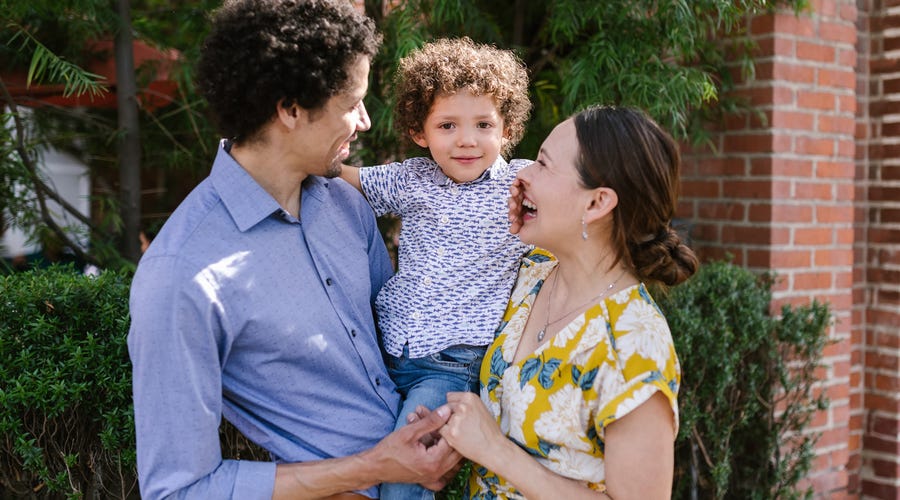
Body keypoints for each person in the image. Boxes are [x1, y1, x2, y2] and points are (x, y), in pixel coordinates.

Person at [126, 1, 460, 499]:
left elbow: (399, 344)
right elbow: (178, 490)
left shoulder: (347, 206)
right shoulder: (183, 276)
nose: (365, 121)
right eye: (351, 103)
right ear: (290, 109)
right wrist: (372, 468)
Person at [438, 105, 699, 499]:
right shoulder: (532, 273)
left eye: (542, 164)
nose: (521, 173)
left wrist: (495, 451)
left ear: (596, 204)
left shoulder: (633, 346)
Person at [339, 37, 532, 500]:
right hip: (383, 351)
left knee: (406, 479)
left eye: (483, 124)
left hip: (449, 368)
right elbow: (346, 179)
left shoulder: (522, 184)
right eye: (448, 125)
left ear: (506, 131)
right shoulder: (412, 177)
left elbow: (580, 208)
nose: (467, 139)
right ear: (420, 133)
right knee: (354, 468)